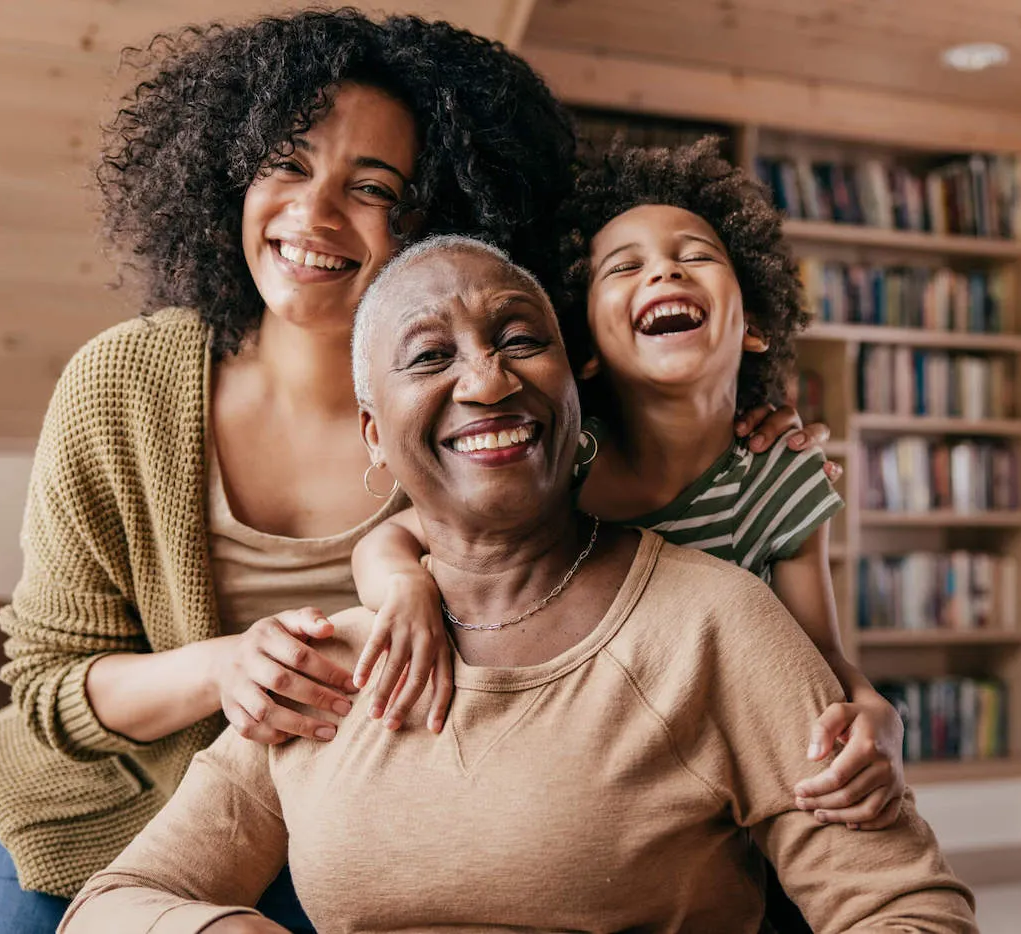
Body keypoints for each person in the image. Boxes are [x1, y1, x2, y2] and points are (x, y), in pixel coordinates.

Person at [0, 12, 817, 932]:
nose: (314, 214)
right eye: (286, 163)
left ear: (438, 216)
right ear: (229, 172)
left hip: (340, 811)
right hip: (80, 811)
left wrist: (765, 435)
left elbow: (676, 507)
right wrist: (229, 668)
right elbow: (48, 685)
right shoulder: (122, 385)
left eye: (373, 187)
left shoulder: (490, 413)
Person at [58, 236, 977, 934]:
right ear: (376, 436)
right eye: (429, 356)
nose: (487, 381)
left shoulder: (715, 622)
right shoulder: (323, 666)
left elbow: (907, 910)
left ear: (576, 392)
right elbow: (114, 901)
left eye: (519, 340)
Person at [350, 138, 906, 832]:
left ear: (755, 323)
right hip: (570, 764)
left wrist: (879, 715)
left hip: (715, 774)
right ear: (581, 351)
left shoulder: (782, 476)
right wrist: (404, 587)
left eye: (696, 255)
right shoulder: (560, 460)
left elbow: (818, 658)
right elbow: (392, 539)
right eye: (626, 266)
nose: (666, 271)